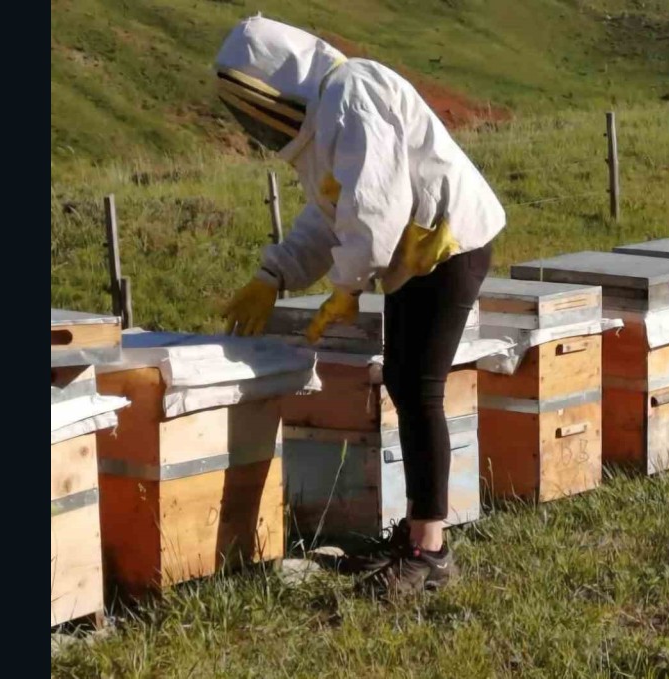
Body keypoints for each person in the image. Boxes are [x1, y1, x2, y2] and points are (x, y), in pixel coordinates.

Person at [215, 15, 504, 593]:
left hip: (448, 245)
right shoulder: (325, 119)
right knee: (404, 379)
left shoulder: (352, 94)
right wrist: (273, 274)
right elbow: (332, 215)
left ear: (277, 81)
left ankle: (431, 552)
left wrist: (346, 288)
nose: (258, 122)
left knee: (420, 388)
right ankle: (418, 535)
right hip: (419, 251)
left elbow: (375, 210)